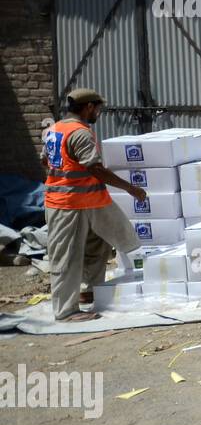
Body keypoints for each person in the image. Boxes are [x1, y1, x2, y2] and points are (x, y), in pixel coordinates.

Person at [43, 89, 149, 322]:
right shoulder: (79, 133)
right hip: (69, 204)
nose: (99, 113)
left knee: (101, 244)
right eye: (98, 108)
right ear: (89, 107)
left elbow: (45, 161)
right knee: (67, 256)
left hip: (92, 201)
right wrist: (130, 188)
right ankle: (66, 311)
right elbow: (96, 168)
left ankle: (89, 289)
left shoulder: (54, 129)